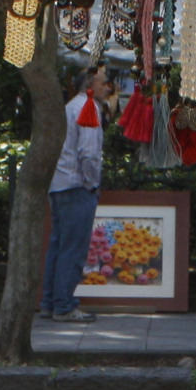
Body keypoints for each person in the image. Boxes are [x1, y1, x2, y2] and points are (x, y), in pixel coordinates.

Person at [41, 64, 115, 325]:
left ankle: (51, 302)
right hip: (76, 187)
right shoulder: (88, 108)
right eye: (105, 82)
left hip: (60, 184)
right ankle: (64, 305)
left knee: (59, 247)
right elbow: (89, 154)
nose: (109, 87)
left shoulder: (70, 106)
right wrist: (92, 183)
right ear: (90, 85)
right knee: (73, 249)